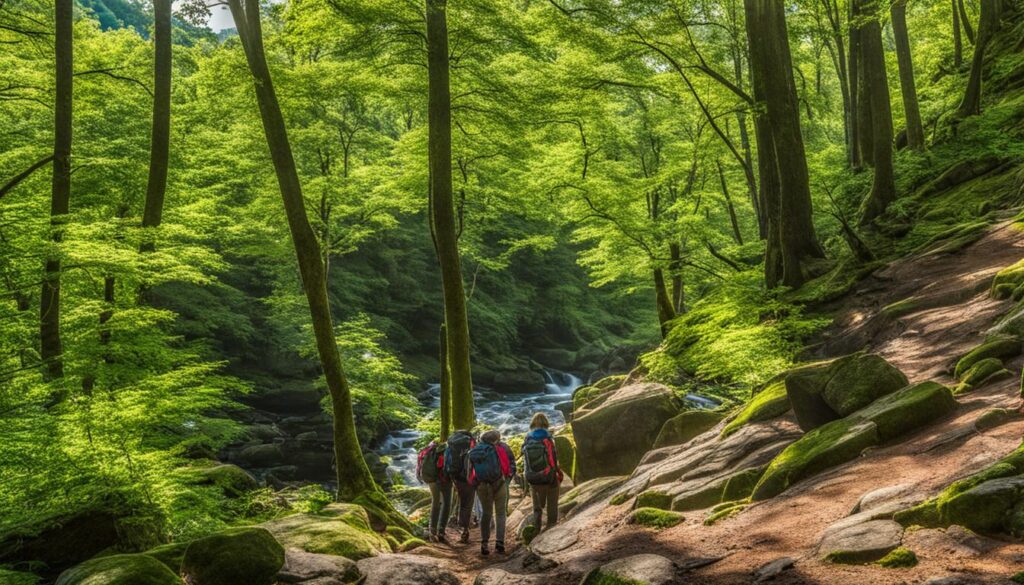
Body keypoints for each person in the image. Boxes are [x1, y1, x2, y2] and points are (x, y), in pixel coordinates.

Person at [469, 429, 516, 556]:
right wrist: (507, 479)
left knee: (486, 514)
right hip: (499, 483)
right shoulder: (502, 448)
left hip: (482, 486)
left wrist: (476, 485)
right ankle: (499, 543)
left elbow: (469, 473)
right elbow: (511, 465)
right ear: (497, 439)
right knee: (500, 513)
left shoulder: (474, 451)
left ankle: (484, 543)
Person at [522, 413, 563, 532]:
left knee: (537, 507)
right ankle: (551, 527)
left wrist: (527, 475)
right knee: (552, 503)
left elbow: (526, 460)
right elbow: (553, 459)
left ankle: (536, 529)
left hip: (533, 477)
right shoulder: (548, 438)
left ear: (533, 423)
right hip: (548, 476)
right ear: (546, 423)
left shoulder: (528, 438)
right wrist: (558, 473)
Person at [444, 428, 477, 544]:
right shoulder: (471, 442)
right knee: (468, 503)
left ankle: (461, 526)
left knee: (462, 501)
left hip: (455, 476)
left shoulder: (451, 444)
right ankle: (465, 529)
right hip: (468, 478)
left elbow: (446, 460)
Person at [416, 439, 451, 543]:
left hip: (431, 480)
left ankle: (432, 530)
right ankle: (441, 531)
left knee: (435, 503)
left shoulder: (427, 450)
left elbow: (419, 466)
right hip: (445, 480)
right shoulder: (447, 450)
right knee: (446, 504)